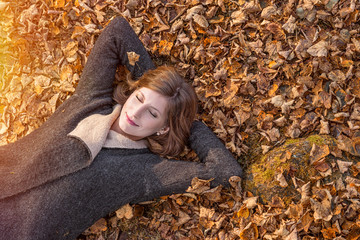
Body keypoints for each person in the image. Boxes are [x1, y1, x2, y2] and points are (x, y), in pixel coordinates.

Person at [0, 17, 242, 239]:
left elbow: (224, 172)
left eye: (152, 113)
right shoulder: (91, 101)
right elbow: (116, 32)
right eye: (138, 98)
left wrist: (190, 127)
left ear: (163, 128)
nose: (135, 112)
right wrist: (153, 82)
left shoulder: (147, 171)